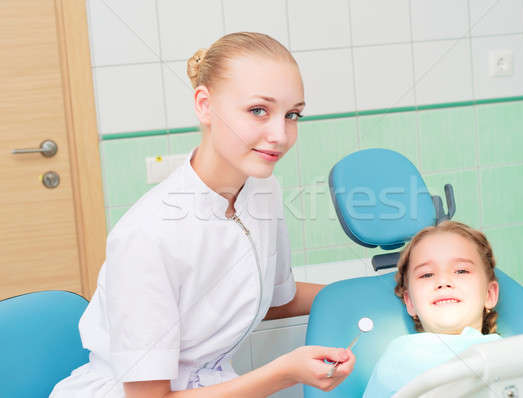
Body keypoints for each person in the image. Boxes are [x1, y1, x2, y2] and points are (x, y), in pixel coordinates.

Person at [50, 32, 355, 398]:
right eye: (259, 110)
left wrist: (388, 290)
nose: (280, 134)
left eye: (292, 115)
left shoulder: (262, 191)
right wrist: (285, 373)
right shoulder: (147, 235)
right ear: (204, 105)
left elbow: (275, 299)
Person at [362, 221, 500, 398]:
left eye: (461, 271)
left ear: (489, 294)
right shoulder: (400, 357)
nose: (443, 282)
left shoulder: (509, 353)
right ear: (410, 302)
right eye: (427, 274)